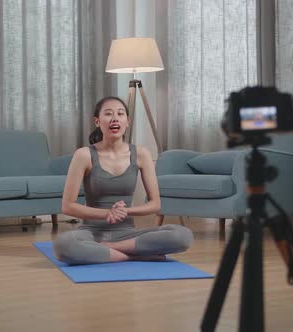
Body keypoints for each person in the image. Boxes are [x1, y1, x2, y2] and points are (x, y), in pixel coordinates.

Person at [53, 96, 193, 264]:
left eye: (120, 114)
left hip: (128, 233)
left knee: (182, 235)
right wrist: (107, 213)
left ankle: (110, 248)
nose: (115, 118)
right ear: (97, 121)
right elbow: (67, 206)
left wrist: (126, 211)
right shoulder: (84, 155)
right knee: (63, 245)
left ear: (127, 121)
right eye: (108, 114)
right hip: (91, 232)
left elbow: (155, 204)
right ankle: (134, 255)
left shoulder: (141, 154)